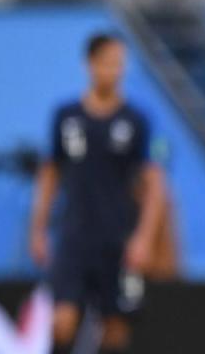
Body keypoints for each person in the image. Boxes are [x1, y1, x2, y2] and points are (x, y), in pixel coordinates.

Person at [30, 34, 165, 354]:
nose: (114, 71)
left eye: (119, 64)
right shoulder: (66, 116)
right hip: (74, 237)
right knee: (61, 322)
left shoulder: (136, 120)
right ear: (89, 64)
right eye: (107, 63)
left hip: (118, 238)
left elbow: (154, 184)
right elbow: (50, 173)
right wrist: (39, 229)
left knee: (115, 329)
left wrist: (144, 238)